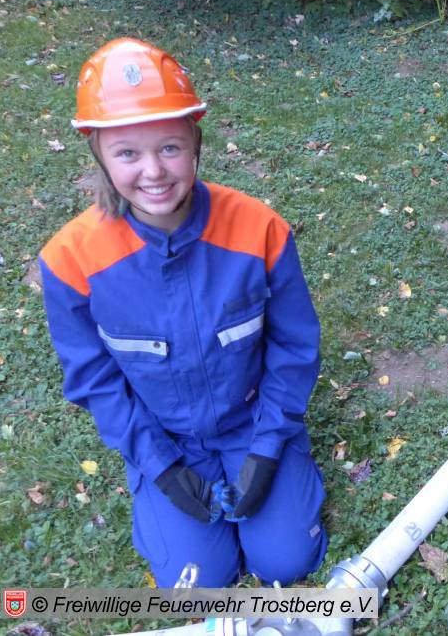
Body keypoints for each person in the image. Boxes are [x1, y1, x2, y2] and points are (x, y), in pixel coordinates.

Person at [39, 38, 327, 588]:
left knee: (286, 563)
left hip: (253, 422)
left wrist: (268, 449)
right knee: (194, 583)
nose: (153, 171)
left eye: (169, 147)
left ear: (196, 141)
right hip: (165, 438)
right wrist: (162, 468)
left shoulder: (260, 230)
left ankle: (282, 467)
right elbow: (95, 380)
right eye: (127, 153)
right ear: (98, 154)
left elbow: (295, 347)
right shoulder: (70, 260)